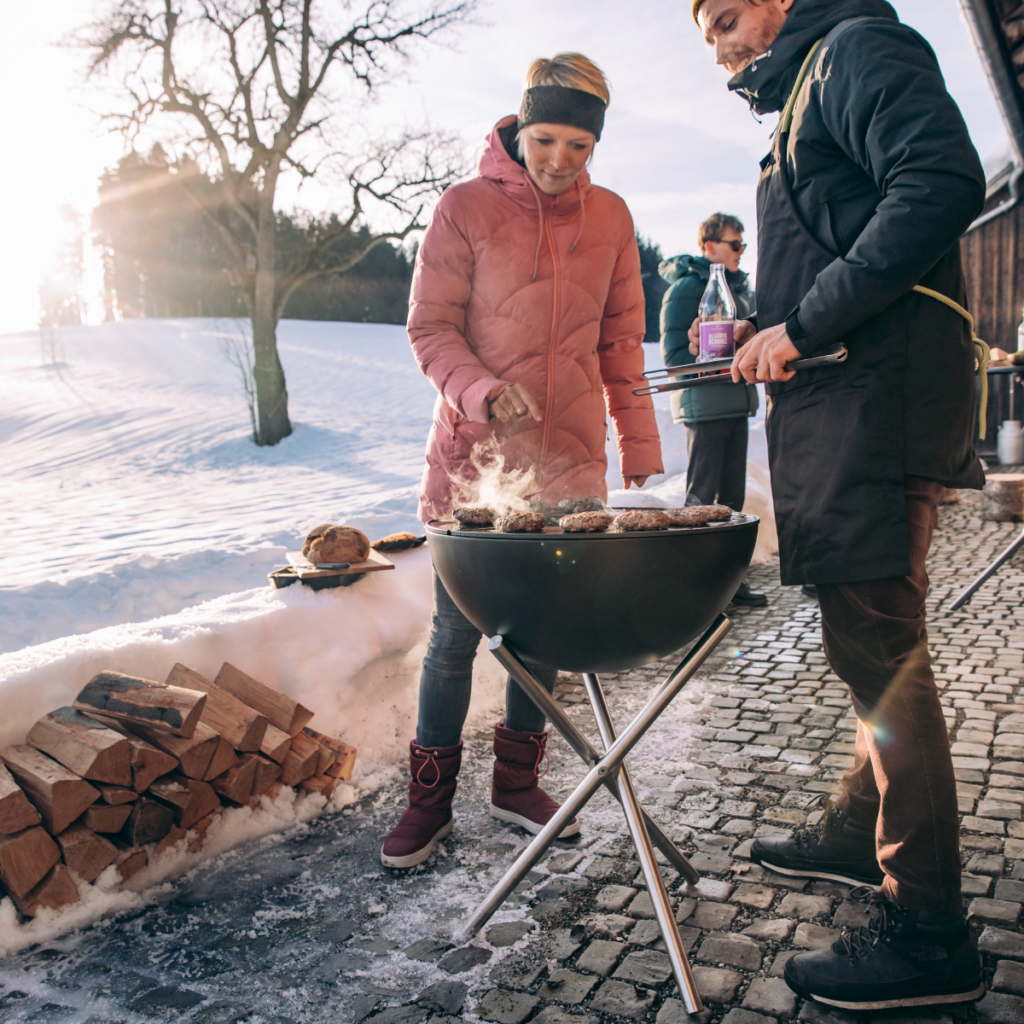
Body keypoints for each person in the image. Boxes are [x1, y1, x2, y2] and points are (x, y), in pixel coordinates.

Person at [692, 0, 986, 1010]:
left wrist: (802, 322)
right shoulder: (806, 85)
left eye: (723, 14)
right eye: (703, 31)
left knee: (880, 649)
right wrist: (776, 331)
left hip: (879, 396)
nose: (716, 41)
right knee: (866, 639)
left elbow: (940, 182)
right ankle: (860, 828)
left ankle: (929, 929)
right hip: (844, 401)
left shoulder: (856, 48)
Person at [382, 53, 664, 869]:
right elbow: (429, 328)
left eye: (579, 146)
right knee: (451, 636)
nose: (559, 161)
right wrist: (480, 389)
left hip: (569, 462)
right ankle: (428, 805)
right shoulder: (464, 207)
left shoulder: (610, 217)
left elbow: (620, 339)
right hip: (474, 460)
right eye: (545, 140)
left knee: (541, 634)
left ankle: (516, 786)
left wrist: (638, 441)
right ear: (519, 125)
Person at [659, 213, 766, 607]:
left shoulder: (739, 290)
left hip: (735, 401)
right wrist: (710, 355)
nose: (741, 251)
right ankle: (691, 584)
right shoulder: (688, 289)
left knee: (731, 498)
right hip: (704, 405)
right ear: (710, 247)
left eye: (742, 245)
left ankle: (726, 583)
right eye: (734, 244)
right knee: (701, 497)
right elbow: (674, 354)